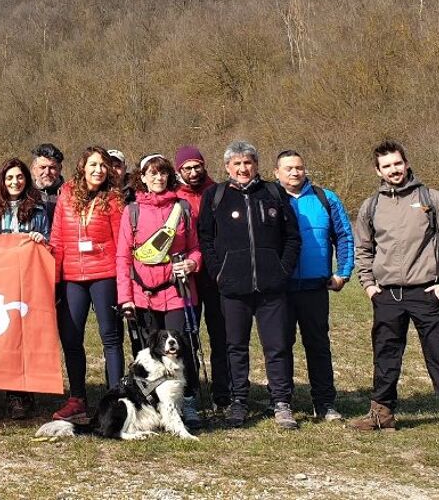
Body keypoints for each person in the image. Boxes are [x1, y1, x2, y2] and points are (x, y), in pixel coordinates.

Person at [348, 141, 439, 448]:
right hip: (387, 294)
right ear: (378, 171)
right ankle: (382, 413)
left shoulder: (431, 198)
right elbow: (363, 248)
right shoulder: (371, 206)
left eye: (397, 163)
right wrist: (368, 284)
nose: (394, 170)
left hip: (427, 292)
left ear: (406, 164)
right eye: (387, 166)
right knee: (385, 355)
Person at [196, 141, 301, 430]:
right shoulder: (215, 196)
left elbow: (292, 237)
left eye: (248, 162)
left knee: (277, 346)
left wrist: (282, 270)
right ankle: (238, 400)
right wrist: (219, 273)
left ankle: (281, 401)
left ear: (256, 165)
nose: (243, 168)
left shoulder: (273, 193)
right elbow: (205, 238)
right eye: (237, 163)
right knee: (235, 347)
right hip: (232, 287)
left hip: (272, 287)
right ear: (227, 167)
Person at [116, 154, 203, 427]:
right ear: (142, 177)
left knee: (183, 348)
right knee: (149, 353)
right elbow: (123, 257)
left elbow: (195, 247)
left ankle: (187, 402)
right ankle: (153, 404)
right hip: (143, 294)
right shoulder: (132, 212)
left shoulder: (182, 208)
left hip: (177, 290)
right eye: (152, 173)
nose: (158, 178)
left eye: (163, 173)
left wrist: (192, 263)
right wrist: (125, 298)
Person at [273, 150, 354, 422]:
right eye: (288, 168)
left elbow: (344, 236)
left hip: (315, 287)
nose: (294, 172)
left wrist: (343, 273)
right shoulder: (269, 199)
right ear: (276, 173)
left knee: (318, 346)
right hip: (280, 289)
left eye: (299, 167)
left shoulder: (325, 198)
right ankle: (282, 401)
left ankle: (325, 402)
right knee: (280, 346)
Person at [49, 146, 126, 423]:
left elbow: (121, 244)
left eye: (103, 165)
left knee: (110, 337)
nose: (98, 170)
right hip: (72, 277)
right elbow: (57, 239)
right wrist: (54, 282)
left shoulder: (114, 199)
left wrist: (123, 281)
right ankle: (77, 400)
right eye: (93, 164)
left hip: (105, 274)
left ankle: (116, 400)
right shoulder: (66, 195)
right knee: (71, 338)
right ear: (82, 167)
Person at [0, 157, 51, 423]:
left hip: (26, 286)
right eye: (9, 178)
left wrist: (42, 240)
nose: (15, 182)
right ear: (1, 182)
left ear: (26, 180)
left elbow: (50, 244)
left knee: (20, 340)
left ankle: (18, 396)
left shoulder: (38, 212)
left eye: (19, 177)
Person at [174, 144, 230, 411]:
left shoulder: (219, 191)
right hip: (188, 277)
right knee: (188, 337)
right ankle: (190, 392)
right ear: (179, 171)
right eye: (187, 168)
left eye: (197, 166)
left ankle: (223, 392)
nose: (194, 172)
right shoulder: (174, 197)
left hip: (216, 274)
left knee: (221, 335)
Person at [30, 143, 65, 214]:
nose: (47, 172)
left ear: (60, 168)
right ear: (34, 169)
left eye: (52, 167)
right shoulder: (26, 195)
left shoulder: (70, 194)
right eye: (42, 167)